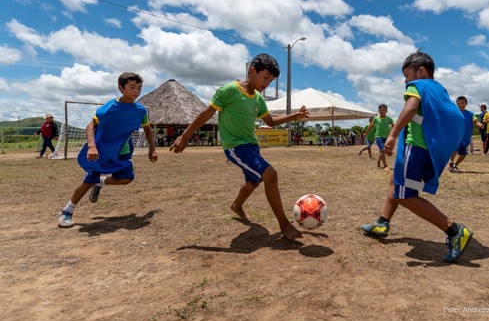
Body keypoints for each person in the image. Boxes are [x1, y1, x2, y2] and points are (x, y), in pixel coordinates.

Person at [169, 53, 309, 240]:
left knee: (253, 182)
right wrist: (185, 136)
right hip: (235, 147)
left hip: (252, 145)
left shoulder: (258, 98)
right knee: (270, 174)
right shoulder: (229, 90)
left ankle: (236, 205)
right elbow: (206, 113)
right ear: (252, 71)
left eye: (271, 80)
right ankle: (284, 224)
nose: (267, 83)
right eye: (265, 77)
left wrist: (294, 116)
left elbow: (270, 121)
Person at [360, 51, 473, 263]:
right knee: (396, 180)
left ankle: (455, 230)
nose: (405, 80)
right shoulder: (440, 89)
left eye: (406, 74)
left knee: (404, 195)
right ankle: (383, 222)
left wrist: (392, 135)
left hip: (415, 146)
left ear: (420, 71)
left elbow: (411, 107)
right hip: (425, 148)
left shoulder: (418, 86)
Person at [57, 73, 158, 228]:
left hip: (123, 150)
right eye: (132, 87)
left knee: (127, 179)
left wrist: (152, 148)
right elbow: (90, 125)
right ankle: (67, 211)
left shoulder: (140, 111)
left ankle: (100, 182)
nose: (136, 91)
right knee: (88, 180)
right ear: (121, 88)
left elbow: (147, 129)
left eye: (139, 88)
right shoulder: (110, 108)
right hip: (102, 150)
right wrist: (92, 146)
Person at [448, 96, 484, 172]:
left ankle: (455, 165)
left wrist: (479, 124)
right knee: (455, 149)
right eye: (459, 103)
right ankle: (451, 162)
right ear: (456, 104)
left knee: (464, 154)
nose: (461, 105)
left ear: (466, 104)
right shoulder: (454, 113)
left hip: (466, 136)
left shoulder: (470, 114)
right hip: (456, 136)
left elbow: (475, 121)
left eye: (462, 103)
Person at [364, 104, 394, 169]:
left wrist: (395, 134)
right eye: (381, 110)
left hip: (386, 138)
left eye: (384, 110)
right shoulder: (376, 119)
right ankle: (385, 166)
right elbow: (370, 126)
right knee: (383, 150)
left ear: (387, 111)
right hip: (378, 137)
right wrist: (366, 133)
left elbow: (393, 126)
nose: (382, 111)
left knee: (382, 151)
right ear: (378, 111)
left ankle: (378, 161)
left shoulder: (389, 119)